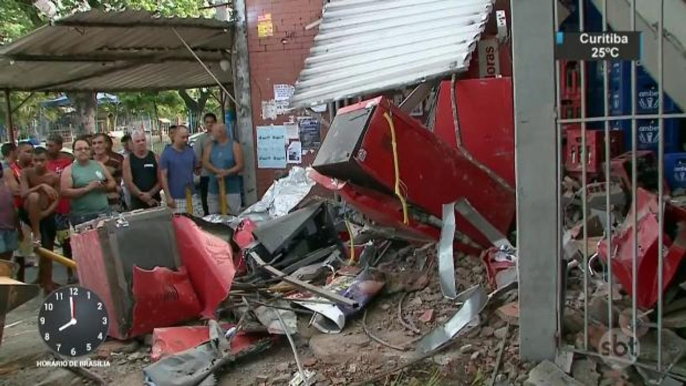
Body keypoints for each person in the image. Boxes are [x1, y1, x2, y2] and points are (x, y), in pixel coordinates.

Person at [20, 147, 60, 293]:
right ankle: (36, 233)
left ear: (47, 161)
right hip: (28, 212)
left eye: (42, 160)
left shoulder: (54, 177)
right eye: (36, 160)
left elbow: (57, 198)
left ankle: (47, 281)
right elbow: (24, 193)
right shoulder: (26, 173)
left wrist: (45, 213)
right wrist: (41, 186)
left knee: (47, 248)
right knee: (33, 196)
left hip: (45, 213)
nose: (39, 164)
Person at [60, 137, 116, 227]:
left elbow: (112, 182)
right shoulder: (69, 170)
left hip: (104, 212)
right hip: (83, 216)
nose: (83, 151)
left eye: (86, 148)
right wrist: (87, 189)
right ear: (73, 152)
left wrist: (104, 187)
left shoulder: (98, 164)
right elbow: (64, 192)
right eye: (79, 149)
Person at [45, 134, 76, 284]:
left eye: (51, 145)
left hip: (67, 208)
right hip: (51, 210)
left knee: (67, 243)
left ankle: (71, 272)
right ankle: (47, 278)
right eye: (47, 145)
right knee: (49, 244)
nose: (48, 148)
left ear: (59, 146)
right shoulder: (43, 163)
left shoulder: (68, 160)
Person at [203, 123, 244, 215]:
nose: (210, 134)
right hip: (214, 187)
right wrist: (217, 171)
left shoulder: (234, 145)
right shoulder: (209, 146)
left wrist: (226, 172)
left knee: (233, 215)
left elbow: (240, 165)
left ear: (220, 133)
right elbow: (205, 161)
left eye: (212, 132)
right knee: (214, 215)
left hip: (232, 188)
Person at [160, 126, 198, 214]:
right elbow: (163, 176)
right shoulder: (166, 154)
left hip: (191, 195)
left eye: (187, 137)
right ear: (175, 137)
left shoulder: (190, 151)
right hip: (176, 197)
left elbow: (195, 170)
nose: (185, 140)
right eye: (183, 137)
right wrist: (168, 197)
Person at [123, 130, 161, 210]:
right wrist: (142, 196)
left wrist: (150, 194)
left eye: (143, 140)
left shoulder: (155, 157)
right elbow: (128, 183)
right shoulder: (127, 161)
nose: (141, 143)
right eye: (138, 141)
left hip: (155, 199)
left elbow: (161, 180)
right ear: (133, 143)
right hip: (136, 202)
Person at [93, 133, 124, 212]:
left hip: (113, 204)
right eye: (94, 143)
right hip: (92, 205)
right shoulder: (87, 162)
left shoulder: (116, 162)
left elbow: (118, 186)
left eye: (100, 143)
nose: (97, 146)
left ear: (106, 144)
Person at [194, 113, 217, 216]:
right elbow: (197, 158)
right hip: (206, 175)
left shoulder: (221, 137)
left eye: (211, 122)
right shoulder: (201, 139)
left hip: (220, 176)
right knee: (206, 203)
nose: (209, 125)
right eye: (207, 122)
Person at [0, 164, 20, 265]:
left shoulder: (7, 187)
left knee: (6, 262)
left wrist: (19, 229)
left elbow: (14, 209)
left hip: (10, 229)